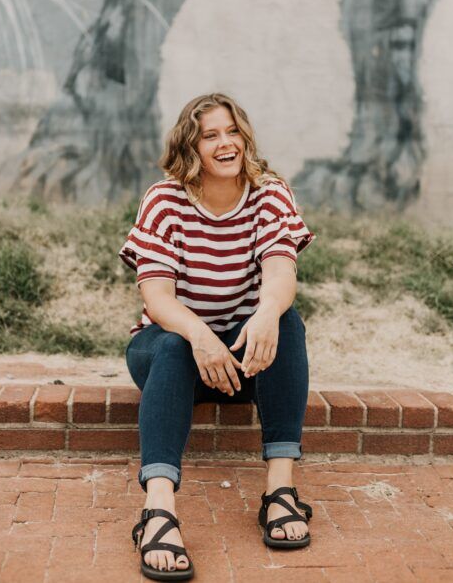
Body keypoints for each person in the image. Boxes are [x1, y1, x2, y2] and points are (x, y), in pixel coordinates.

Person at [119, 92, 316, 580]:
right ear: (192, 148)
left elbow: (280, 274)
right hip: (170, 356)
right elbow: (159, 298)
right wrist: (200, 336)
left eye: (232, 131)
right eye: (210, 135)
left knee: (286, 322)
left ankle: (280, 492)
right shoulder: (164, 200)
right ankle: (158, 511)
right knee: (172, 343)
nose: (225, 143)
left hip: (243, 359)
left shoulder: (270, 193)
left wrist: (268, 311)